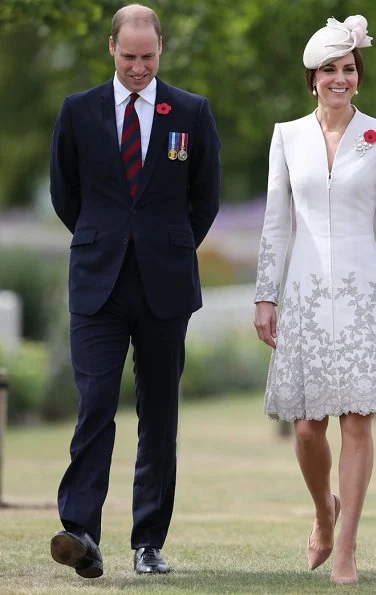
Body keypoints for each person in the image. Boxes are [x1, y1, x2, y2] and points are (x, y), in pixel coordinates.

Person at [49, 4, 220, 578]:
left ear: (160, 51)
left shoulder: (191, 113)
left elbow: (206, 197)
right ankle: (80, 532)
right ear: (111, 49)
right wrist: (108, 240)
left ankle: (148, 541)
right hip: (97, 284)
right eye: (129, 57)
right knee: (95, 405)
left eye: (148, 57)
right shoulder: (78, 112)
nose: (139, 67)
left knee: (160, 416)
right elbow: (65, 194)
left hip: (164, 287)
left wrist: (165, 246)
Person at [254, 15, 376, 586]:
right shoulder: (286, 136)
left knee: (356, 421)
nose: (340, 78)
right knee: (305, 428)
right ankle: (325, 513)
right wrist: (264, 296)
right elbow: (276, 224)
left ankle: (346, 550)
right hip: (300, 288)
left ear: (357, 74)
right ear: (312, 77)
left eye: (348, 68)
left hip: (363, 289)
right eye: (329, 69)